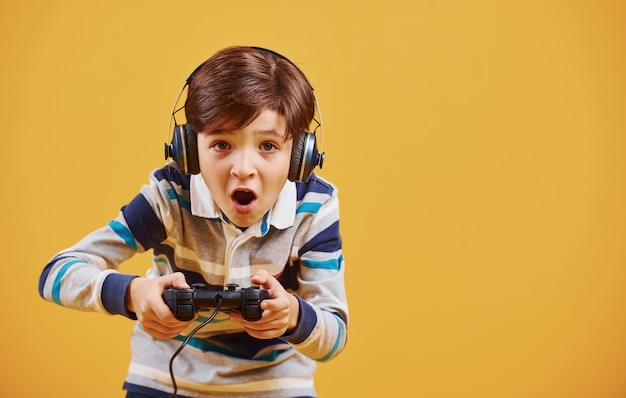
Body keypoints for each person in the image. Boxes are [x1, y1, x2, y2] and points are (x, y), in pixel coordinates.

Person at [38, 45, 348, 398]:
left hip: (275, 385)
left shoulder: (314, 207)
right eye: (221, 144)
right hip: (163, 381)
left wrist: (293, 316)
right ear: (188, 149)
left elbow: (334, 337)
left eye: (268, 146)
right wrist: (132, 293)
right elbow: (56, 273)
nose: (243, 168)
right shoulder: (170, 197)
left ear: (300, 156)